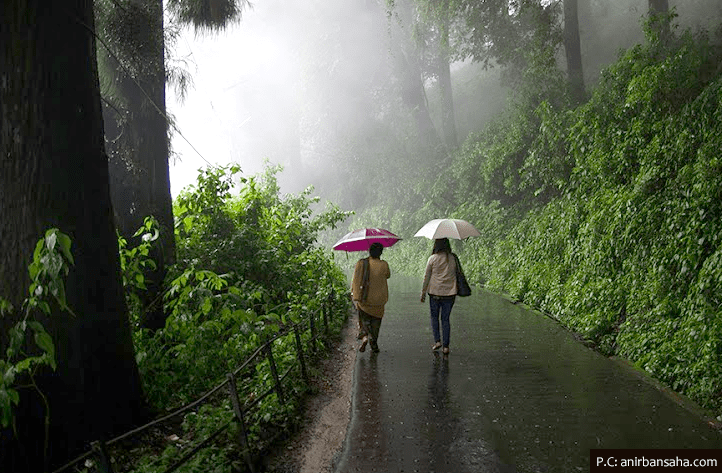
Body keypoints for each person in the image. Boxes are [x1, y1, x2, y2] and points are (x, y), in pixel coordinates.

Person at [351, 242, 391, 353]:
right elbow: (388, 275)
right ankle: (374, 343)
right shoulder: (384, 265)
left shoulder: (361, 263)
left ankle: (364, 337)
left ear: (369, 251)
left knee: (363, 321)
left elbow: (355, 279)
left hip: (364, 299)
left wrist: (353, 293)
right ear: (381, 253)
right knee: (376, 323)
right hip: (379, 301)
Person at [420, 238, 457, 355]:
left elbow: (426, 277)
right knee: (445, 319)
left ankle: (437, 341)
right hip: (450, 293)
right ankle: (446, 347)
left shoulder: (432, 258)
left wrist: (423, 293)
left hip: (435, 293)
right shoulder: (453, 258)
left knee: (434, 318)